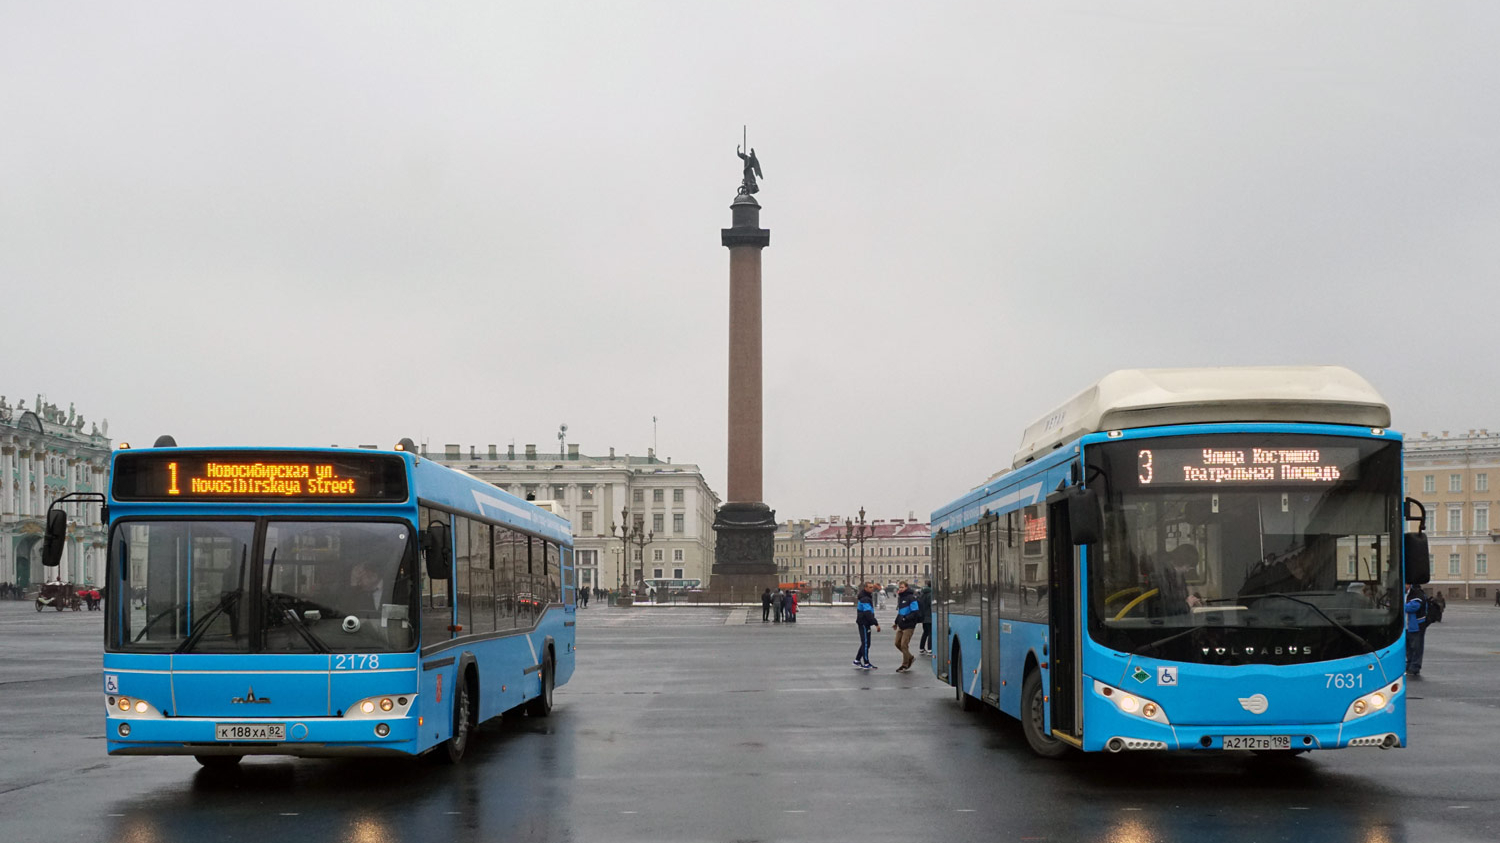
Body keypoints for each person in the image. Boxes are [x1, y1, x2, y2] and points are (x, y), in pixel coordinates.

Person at [893, 581, 920, 672]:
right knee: (897, 643)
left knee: (904, 645)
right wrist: (896, 622)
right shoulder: (901, 598)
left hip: (909, 625)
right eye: (899, 587)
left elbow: (915, 611)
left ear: (907, 587)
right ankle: (910, 657)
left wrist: (906, 618)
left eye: (902, 587)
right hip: (901, 625)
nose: (900, 589)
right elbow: (900, 612)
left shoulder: (911, 598)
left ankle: (905, 665)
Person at [853, 582, 881, 670]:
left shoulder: (865, 596)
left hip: (864, 622)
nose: (871, 589)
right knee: (866, 643)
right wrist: (876, 623)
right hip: (864, 623)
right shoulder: (865, 598)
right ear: (865, 588)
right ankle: (866, 663)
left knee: (866, 643)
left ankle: (857, 660)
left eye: (872, 587)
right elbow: (868, 613)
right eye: (870, 587)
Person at [1404, 583, 1427, 676]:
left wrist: (1399, 606)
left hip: (1416, 625)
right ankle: (1409, 665)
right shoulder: (1402, 593)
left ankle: (1415, 667)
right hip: (1406, 626)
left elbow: (1414, 607)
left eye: (1405, 584)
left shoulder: (1417, 593)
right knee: (1408, 647)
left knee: (1416, 647)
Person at [917, 583, 934, 656]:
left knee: (925, 632)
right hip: (929, 616)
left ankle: (921, 648)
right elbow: (931, 606)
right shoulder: (930, 594)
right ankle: (930, 649)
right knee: (930, 633)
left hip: (923, 616)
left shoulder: (922, 594)